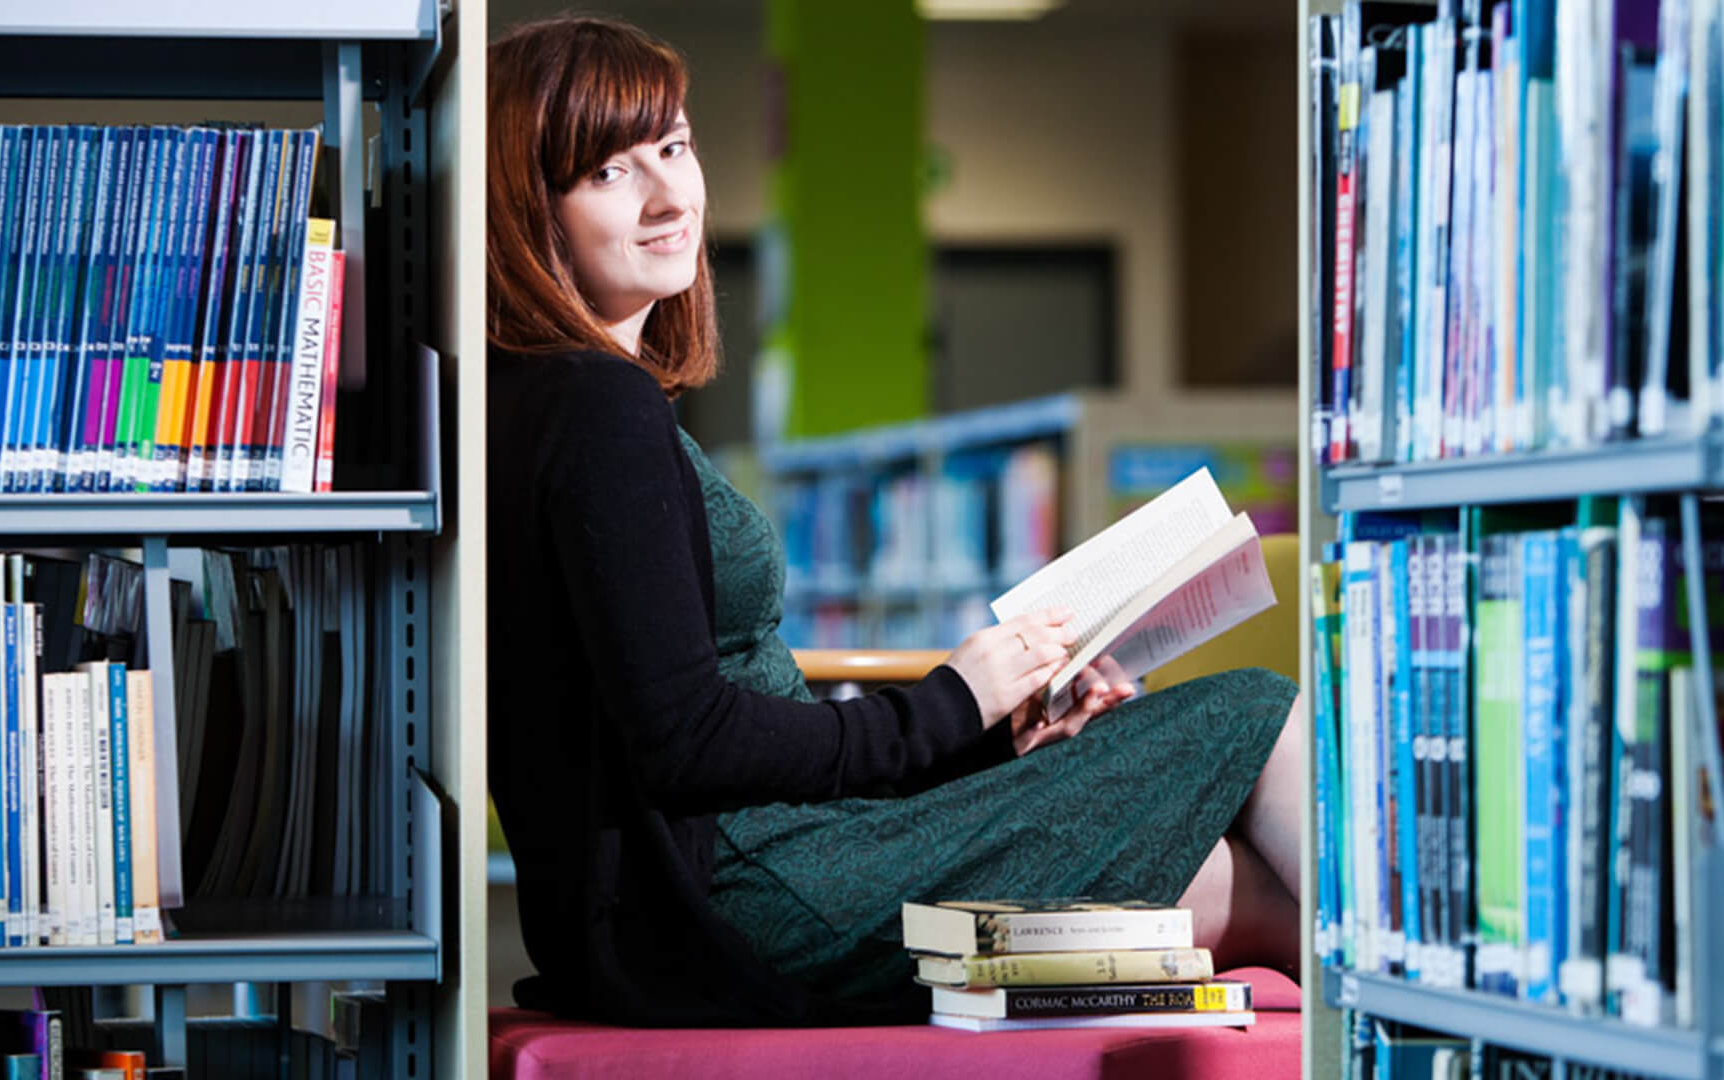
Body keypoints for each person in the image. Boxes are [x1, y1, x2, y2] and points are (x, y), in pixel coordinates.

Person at [485, 14, 1305, 1028]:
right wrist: (950, 707)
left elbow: (675, 729)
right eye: (609, 172)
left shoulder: (545, 399)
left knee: (1250, 888)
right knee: (1252, 712)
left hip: (709, 899)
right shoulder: (591, 405)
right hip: (749, 902)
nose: (667, 196)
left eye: (675, 148)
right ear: (529, 209)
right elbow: (684, 743)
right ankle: (1445, 1007)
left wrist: (985, 729)